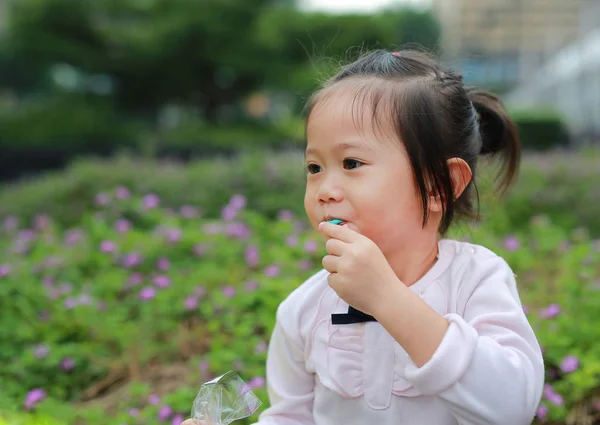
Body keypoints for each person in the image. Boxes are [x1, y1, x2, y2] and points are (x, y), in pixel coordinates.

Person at [182, 49, 545, 425]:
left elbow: (512, 406)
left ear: (441, 184)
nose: (325, 189)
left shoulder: (474, 280)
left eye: (351, 163)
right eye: (314, 167)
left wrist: (387, 297)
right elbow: (292, 417)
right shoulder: (304, 309)